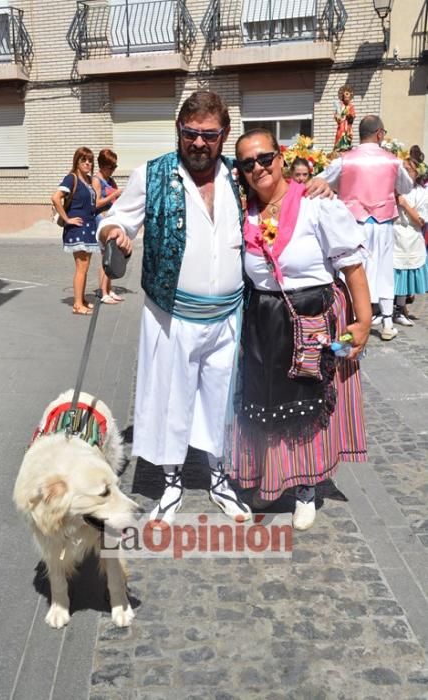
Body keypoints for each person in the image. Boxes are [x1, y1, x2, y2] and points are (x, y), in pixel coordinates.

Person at [98, 91, 332, 527]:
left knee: (220, 401)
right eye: (191, 133)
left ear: (223, 136)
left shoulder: (235, 175)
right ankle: (170, 485)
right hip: (170, 315)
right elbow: (118, 219)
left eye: (209, 134)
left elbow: (279, 190)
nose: (199, 143)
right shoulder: (151, 174)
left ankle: (219, 477)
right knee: (171, 398)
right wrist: (114, 233)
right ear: (179, 132)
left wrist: (318, 184)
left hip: (228, 316)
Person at [228, 128, 371, 531]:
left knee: (308, 405)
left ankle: (307, 487)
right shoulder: (245, 214)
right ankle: (270, 479)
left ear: (280, 158)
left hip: (314, 315)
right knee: (265, 403)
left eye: (265, 157)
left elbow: (352, 264)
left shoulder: (315, 204)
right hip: (264, 321)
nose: (258, 167)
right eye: (247, 163)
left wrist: (363, 322)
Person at [322, 115, 413, 341]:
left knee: (351, 268)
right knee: (383, 268)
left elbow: (323, 181)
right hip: (382, 223)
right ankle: (387, 321)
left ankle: (349, 317)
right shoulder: (392, 161)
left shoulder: (345, 160)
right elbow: (406, 187)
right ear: (380, 133)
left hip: (354, 222)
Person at [51, 147, 99, 315]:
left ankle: (81, 299)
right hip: (77, 229)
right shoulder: (71, 178)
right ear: (77, 162)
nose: (87, 163)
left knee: (85, 267)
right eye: (83, 160)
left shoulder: (87, 180)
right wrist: (67, 218)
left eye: (90, 160)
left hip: (88, 228)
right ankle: (77, 305)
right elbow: (55, 197)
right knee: (81, 267)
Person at [393, 153, 428, 326]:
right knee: (393, 273)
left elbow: (421, 221)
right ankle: (387, 309)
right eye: (403, 170)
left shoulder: (422, 193)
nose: (405, 173)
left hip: (412, 236)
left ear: (416, 173)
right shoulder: (395, 189)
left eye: (409, 170)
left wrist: (405, 204)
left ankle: (400, 308)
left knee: (405, 273)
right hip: (395, 235)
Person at [93, 148, 124, 305]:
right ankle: (103, 292)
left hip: (111, 220)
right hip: (101, 221)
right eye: (111, 167)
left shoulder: (110, 180)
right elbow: (96, 203)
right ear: (102, 165)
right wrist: (114, 195)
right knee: (105, 258)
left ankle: (109, 289)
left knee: (112, 256)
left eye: (115, 167)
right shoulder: (97, 180)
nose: (113, 170)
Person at [333, 84, 356, 152]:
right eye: (345, 98)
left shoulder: (351, 106)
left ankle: (346, 148)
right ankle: (338, 149)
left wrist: (349, 114)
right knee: (339, 135)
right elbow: (336, 115)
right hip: (341, 125)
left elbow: (353, 116)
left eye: (348, 98)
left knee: (347, 137)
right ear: (343, 97)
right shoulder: (339, 105)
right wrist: (338, 117)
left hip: (347, 126)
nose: (347, 99)